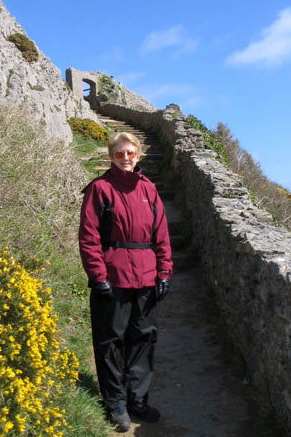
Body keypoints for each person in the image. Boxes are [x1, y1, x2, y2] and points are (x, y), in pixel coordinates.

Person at [78, 131, 173, 432]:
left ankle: (137, 400)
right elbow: (89, 236)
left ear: (138, 155)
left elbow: (161, 235)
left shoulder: (149, 189)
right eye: (119, 153)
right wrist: (98, 275)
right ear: (111, 155)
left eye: (130, 152)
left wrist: (164, 272)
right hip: (113, 276)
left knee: (144, 339)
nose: (125, 157)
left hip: (145, 276)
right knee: (111, 340)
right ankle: (115, 403)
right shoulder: (100, 189)